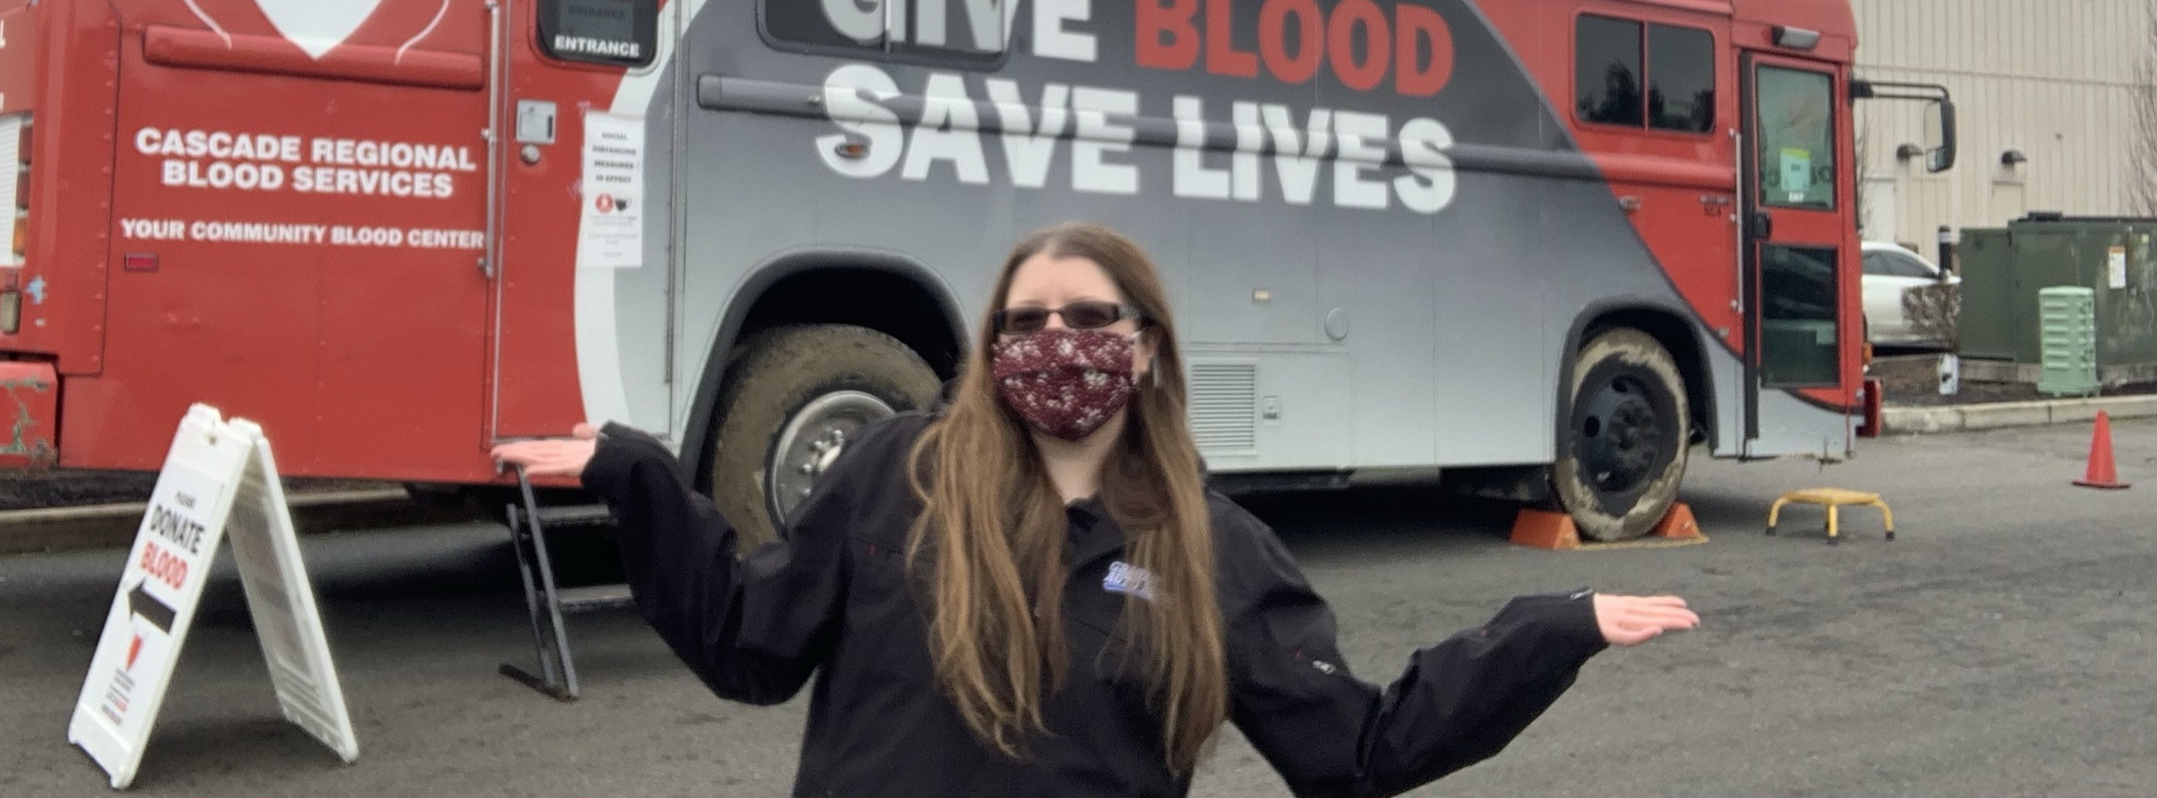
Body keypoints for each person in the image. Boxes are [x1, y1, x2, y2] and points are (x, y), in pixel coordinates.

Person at [494, 222, 1698, 798]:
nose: (1050, 343)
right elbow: (747, 644)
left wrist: (1555, 626)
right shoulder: (893, 475)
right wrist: (635, 472)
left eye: (1084, 318)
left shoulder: (1214, 549)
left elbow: (1356, 746)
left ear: (1145, 345)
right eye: (1022, 322)